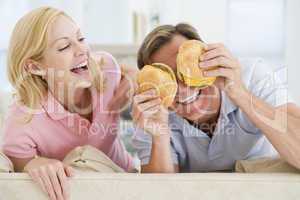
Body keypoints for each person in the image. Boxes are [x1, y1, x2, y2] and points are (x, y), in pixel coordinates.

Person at [1, 7, 135, 200]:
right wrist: (31, 164)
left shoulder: (106, 69)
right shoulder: (23, 119)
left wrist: (134, 77)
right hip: (80, 193)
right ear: (35, 67)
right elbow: (15, 176)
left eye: (81, 39)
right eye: (64, 47)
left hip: (131, 181)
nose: (82, 50)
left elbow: (125, 72)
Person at [131, 23, 293, 173]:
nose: (182, 88)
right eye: (167, 78)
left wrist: (240, 93)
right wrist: (160, 136)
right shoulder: (150, 113)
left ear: (209, 58)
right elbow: (159, 192)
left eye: (188, 67)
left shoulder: (252, 76)